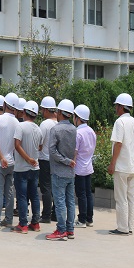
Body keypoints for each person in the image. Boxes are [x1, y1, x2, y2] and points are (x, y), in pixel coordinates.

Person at [108, 93, 134, 236]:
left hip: (121, 166)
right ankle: (130, 226)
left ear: (121, 107)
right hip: (132, 166)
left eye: (116, 106)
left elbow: (118, 144)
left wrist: (112, 163)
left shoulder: (119, 122)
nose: (115, 108)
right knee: (130, 198)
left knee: (121, 198)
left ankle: (122, 228)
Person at [46, 99, 77, 241]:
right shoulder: (74, 129)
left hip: (59, 171)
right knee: (70, 202)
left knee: (59, 202)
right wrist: (70, 161)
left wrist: (65, 161)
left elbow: (52, 151)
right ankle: (70, 229)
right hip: (70, 172)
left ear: (59, 113)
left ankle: (61, 230)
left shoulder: (56, 129)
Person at [0, 92, 19, 228]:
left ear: (5, 104)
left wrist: (1, 157)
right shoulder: (17, 122)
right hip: (11, 162)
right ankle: (8, 219)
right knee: (10, 193)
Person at [13, 100, 43, 233]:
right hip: (35, 168)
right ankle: (35, 223)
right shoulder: (38, 129)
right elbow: (40, 146)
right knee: (34, 196)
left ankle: (23, 224)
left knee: (22, 196)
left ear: (24, 112)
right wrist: (32, 157)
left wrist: (27, 159)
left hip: (21, 168)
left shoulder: (20, 127)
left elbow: (17, 145)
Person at [73, 104, 96, 228]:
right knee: (88, 194)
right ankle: (89, 219)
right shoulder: (91, 131)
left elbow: (75, 152)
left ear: (78, 118)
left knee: (81, 194)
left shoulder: (78, 133)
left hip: (79, 168)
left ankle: (81, 220)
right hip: (88, 167)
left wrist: (71, 164)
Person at [38, 96, 57, 224]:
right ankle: (55, 214)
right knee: (55, 188)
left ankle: (46, 215)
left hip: (45, 159)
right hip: (56, 160)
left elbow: (39, 143)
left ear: (45, 110)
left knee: (46, 188)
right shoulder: (59, 123)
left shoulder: (45, 124)